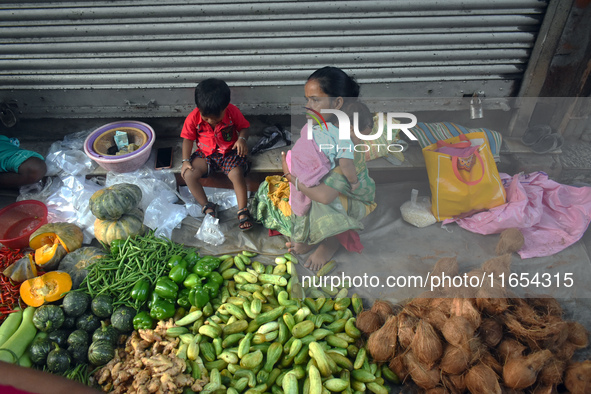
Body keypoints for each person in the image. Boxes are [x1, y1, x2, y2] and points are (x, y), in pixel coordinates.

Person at [273, 66, 377, 270]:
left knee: (314, 194)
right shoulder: (322, 127)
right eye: (307, 99)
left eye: (315, 100)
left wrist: (291, 176)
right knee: (299, 189)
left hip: (345, 197)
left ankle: (331, 242)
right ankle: (310, 236)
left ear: (337, 102)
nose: (307, 106)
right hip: (323, 186)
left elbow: (324, 197)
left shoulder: (346, 147)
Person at [180, 78, 254, 231]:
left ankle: (243, 211)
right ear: (199, 108)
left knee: (237, 174)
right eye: (206, 118)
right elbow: (187, 139)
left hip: (229, 153)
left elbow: (245, 128)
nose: (211, 121)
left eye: (216, 118)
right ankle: (207, 206)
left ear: (225, 107)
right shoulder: (193, 117)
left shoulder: (233, 112)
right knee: (188, 175)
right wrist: (186, 160)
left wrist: (242, 139)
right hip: (205, 155)